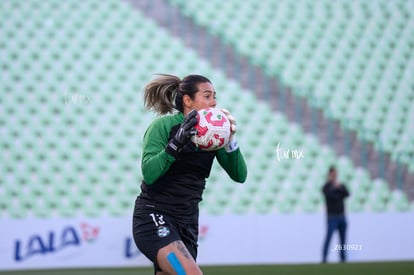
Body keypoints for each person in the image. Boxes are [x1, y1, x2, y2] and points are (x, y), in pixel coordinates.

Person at [132, 74, 247, 275]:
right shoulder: (163, 127)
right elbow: (149, 174)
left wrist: (230, 139)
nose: (214, 102)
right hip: (155, 218)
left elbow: (240, 175)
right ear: (188, 100)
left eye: (214, 96)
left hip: (187, 224)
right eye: (207, 96)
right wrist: (175, 143)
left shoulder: (213, 136)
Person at [321, 165, 350, 263]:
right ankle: (324, 258)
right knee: (328, 238)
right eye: (333, 174)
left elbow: (347, 194)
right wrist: (337, 190)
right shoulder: (326, 186)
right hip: (332, 217)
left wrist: (338, 188)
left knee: (343, 241)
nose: (335, 176)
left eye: (336, 174)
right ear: (329, 174)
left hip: (341, 216)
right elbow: (332, 196)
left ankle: (343, 259)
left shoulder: (340, 185)